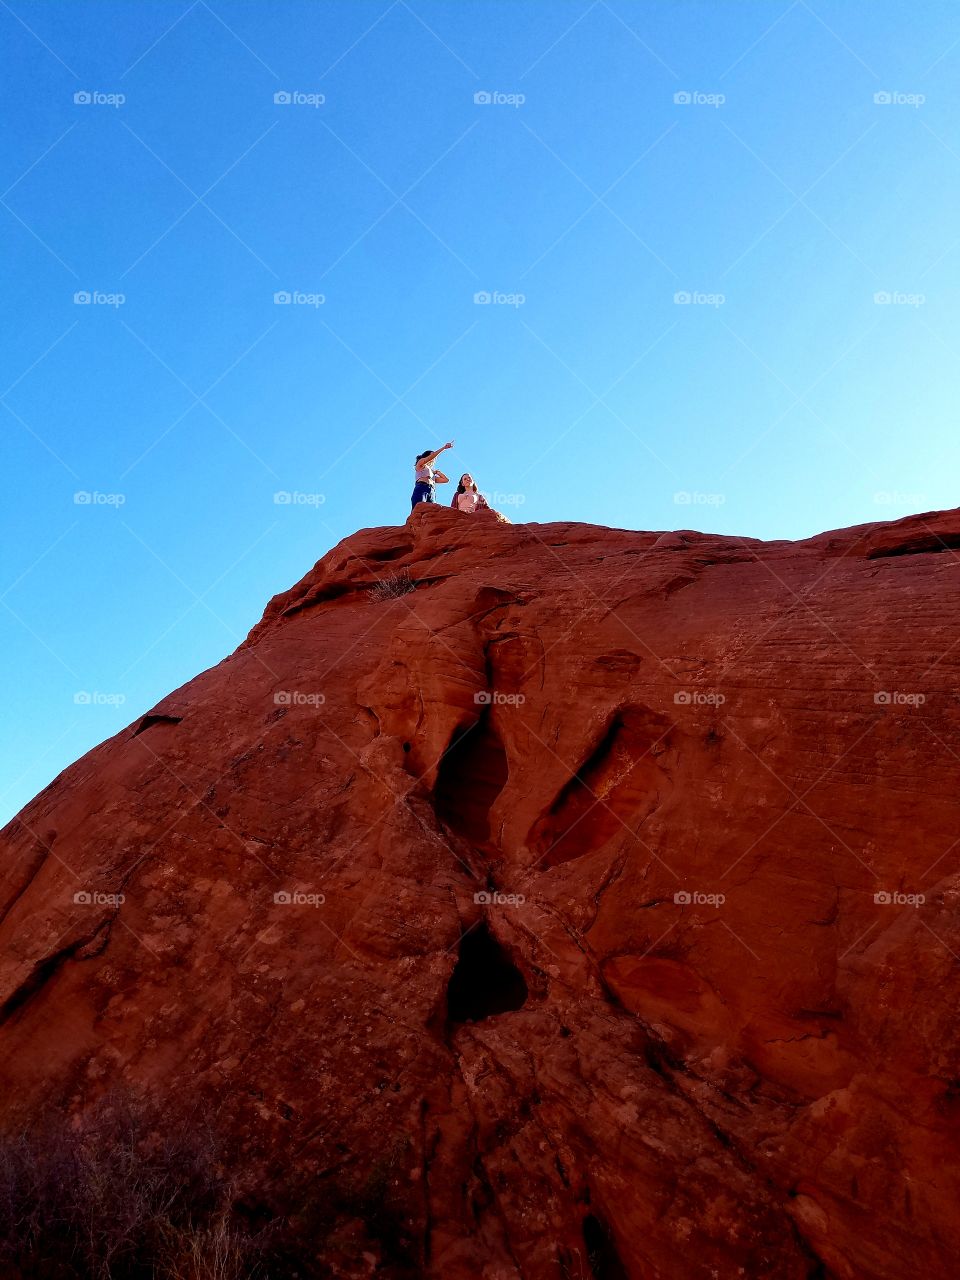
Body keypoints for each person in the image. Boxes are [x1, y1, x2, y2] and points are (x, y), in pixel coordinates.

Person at [411, 441, 453, 510]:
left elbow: (446, 480)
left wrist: (437, 472)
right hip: (422, 487)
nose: (434, 458)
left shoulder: (431, 473)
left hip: (432, 490)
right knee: (419, 508)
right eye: (432, 455)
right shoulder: (420, 464)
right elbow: (431, 457)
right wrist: (444, 448)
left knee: (431, 512)